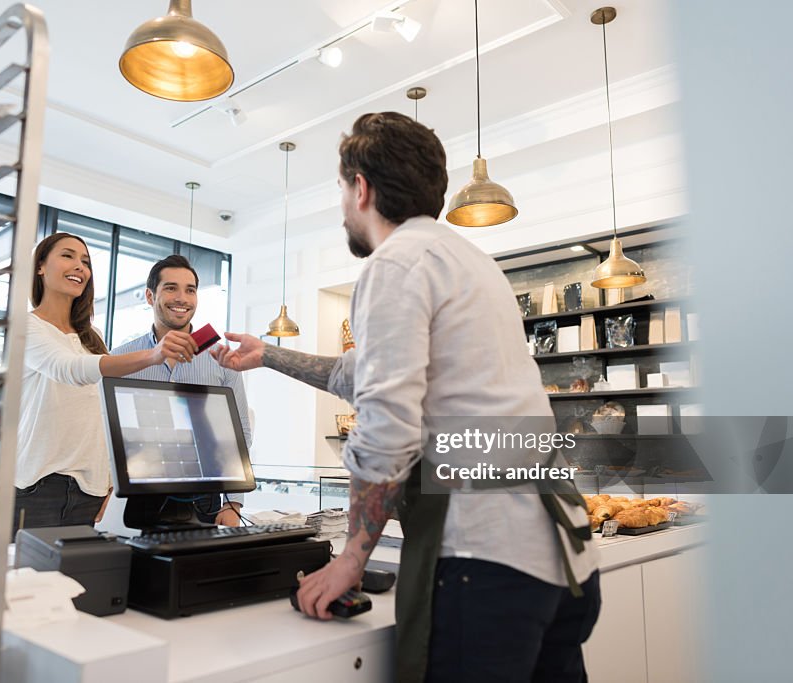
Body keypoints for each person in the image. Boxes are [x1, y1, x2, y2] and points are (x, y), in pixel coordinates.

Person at [212, 112, 600, 683]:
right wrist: (268, 355)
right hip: (562, 562)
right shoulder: (470, 262)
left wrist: (351, 559)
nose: (344, 204)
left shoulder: (394, 263)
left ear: (361, 187)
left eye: (342, 190)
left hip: (483, 565)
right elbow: (364, 372)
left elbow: (385, 427)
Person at [16, 233, 199, 532]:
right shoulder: (27, 326)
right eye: (68, 256)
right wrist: (153, 355)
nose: (80, 266)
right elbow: (69, 369)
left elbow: (102, 410)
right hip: (38, 484)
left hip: (88, 487)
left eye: (85, 261)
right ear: (40, 267)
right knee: (28, 577)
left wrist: (107, 478)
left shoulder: (93, 336)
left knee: (74, 578)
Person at [111, 254, 251, 527]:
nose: (182, 298)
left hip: (206, 496)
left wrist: (233, 502)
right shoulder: (122, 358)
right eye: (171, 288)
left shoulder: (220, 358)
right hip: (142, 495)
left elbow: (240, 432)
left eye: (190, 290)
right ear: (150, 297)